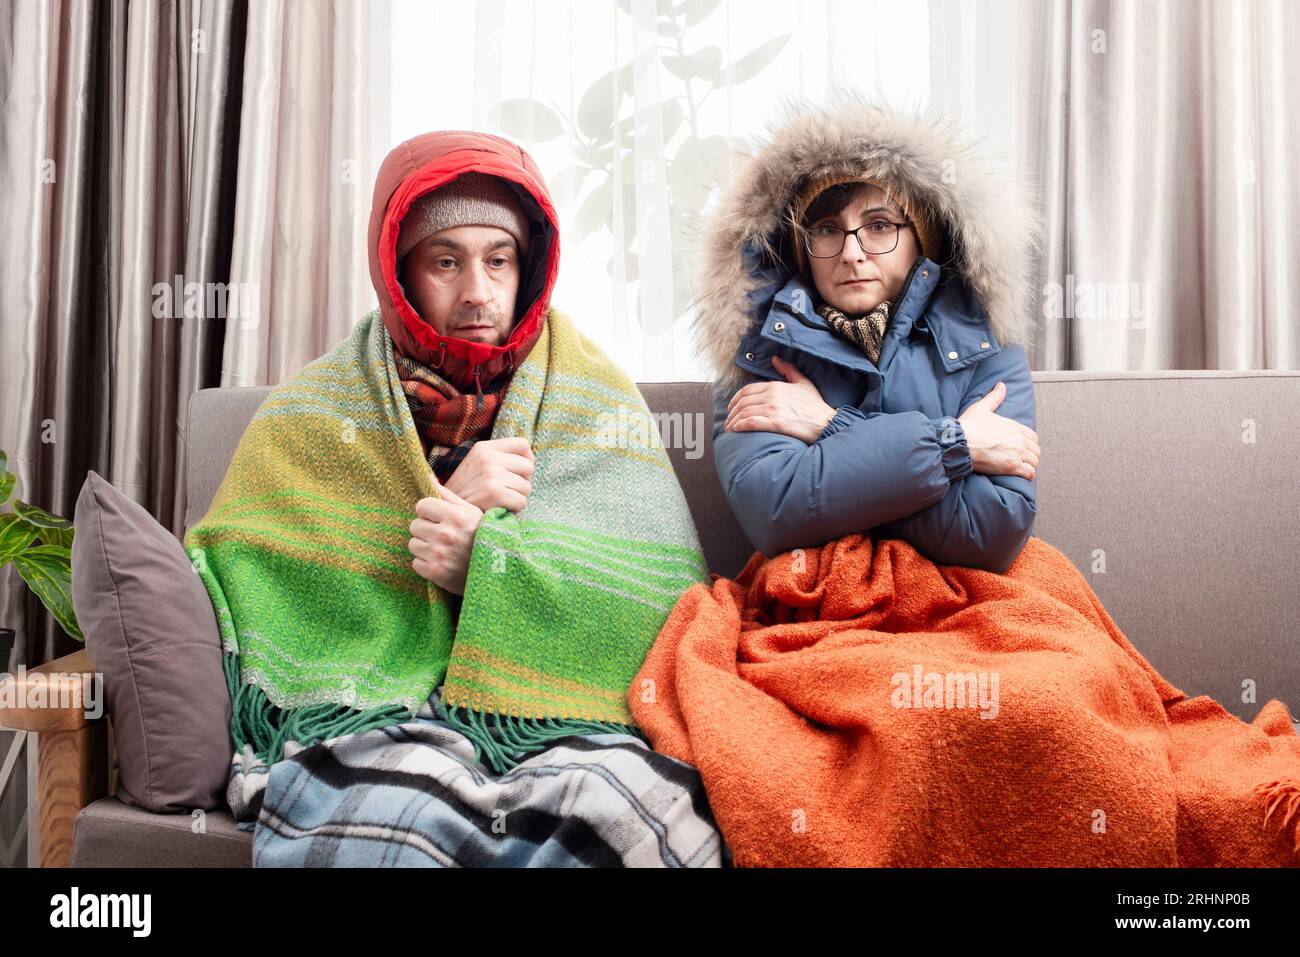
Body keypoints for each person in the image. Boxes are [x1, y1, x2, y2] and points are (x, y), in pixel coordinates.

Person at [695, 104, 1041, 572]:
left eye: (879, 226)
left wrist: (830, 427)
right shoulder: (759, 349)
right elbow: (777, 515)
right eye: (826, 230)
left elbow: (989, 531)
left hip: (962, 606)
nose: (852, 254)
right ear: (803, 246)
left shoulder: (983, 342)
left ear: (923, 236)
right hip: (815, 605)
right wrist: (957, 446)